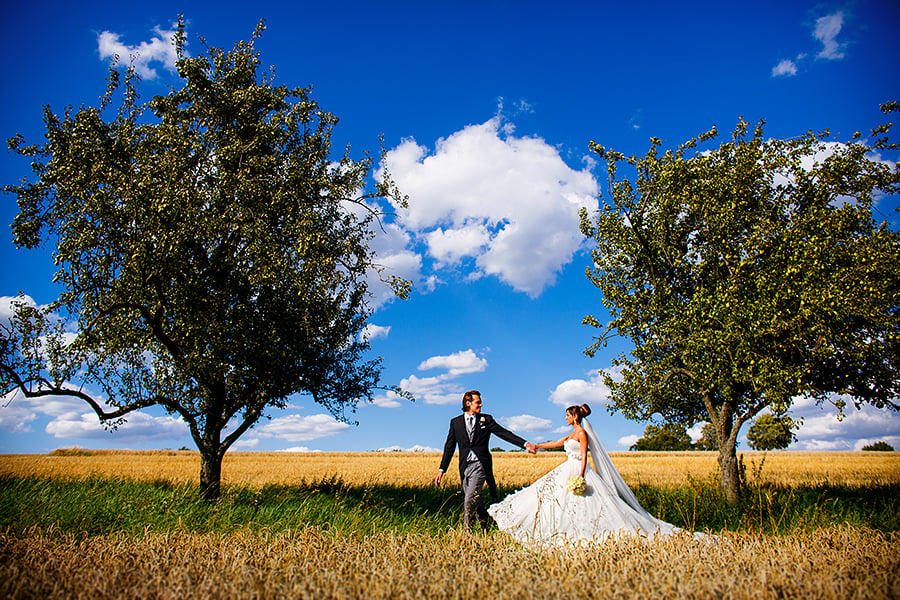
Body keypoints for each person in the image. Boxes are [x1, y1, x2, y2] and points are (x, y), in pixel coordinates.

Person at [487, 404, 704, 547]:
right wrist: (536, 446)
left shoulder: (581, 433)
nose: (565, 417)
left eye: (567, 415)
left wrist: (580, 476)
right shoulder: (572, 433)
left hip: (577, 469)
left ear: (574, 416)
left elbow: (583, 456)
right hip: (567, 467)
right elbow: (557, 443)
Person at [435, 390, 537, 530]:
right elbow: (449, 447)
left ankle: (467, 532)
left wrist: (525, 444)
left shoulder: (486, 419)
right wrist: (442, 469)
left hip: (480, 465)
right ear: (468, 403)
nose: (481, 405)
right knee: (476, 501)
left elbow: (503, 433)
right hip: (464, 467)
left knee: (470, 498)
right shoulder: (455, 422)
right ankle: (487, 527)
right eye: (478, 402)